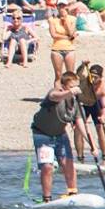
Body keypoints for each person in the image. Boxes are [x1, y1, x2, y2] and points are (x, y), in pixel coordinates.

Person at [30, 70, 82, 202]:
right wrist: (69, 92)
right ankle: (47, 198)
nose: (75, 90)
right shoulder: (55, 93)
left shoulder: (74, 103)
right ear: (64, 86)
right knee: (47, 167)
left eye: (77, 87)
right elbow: (55, 96)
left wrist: (93, 145)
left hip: (60, 135)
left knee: (68, 164)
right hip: (42, 135)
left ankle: (72, 193)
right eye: (72, 87)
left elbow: (79, 122)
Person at [76, 62, 105, 167]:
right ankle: (80, 158)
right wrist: (83, 65)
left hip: (95, 105)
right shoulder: (84, 80)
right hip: (83, 104)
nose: (93, 79)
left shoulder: (104, 89)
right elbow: (78, 72)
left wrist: (103, 116)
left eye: (96, 77)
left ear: (101, 77)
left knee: (99, 127)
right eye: (91, 76)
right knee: (78, 128)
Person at [46, 0, 77, 78]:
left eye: (64, 5)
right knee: (58, 75)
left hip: (69, 48)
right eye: (60, 5)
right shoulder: (52, 20)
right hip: (56, 48)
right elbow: (53, 35)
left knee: (70, 75)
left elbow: (71, 33)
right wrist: (67, 37)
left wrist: (65, 21)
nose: (62, 7)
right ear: (57, 7)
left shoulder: (72, 19)